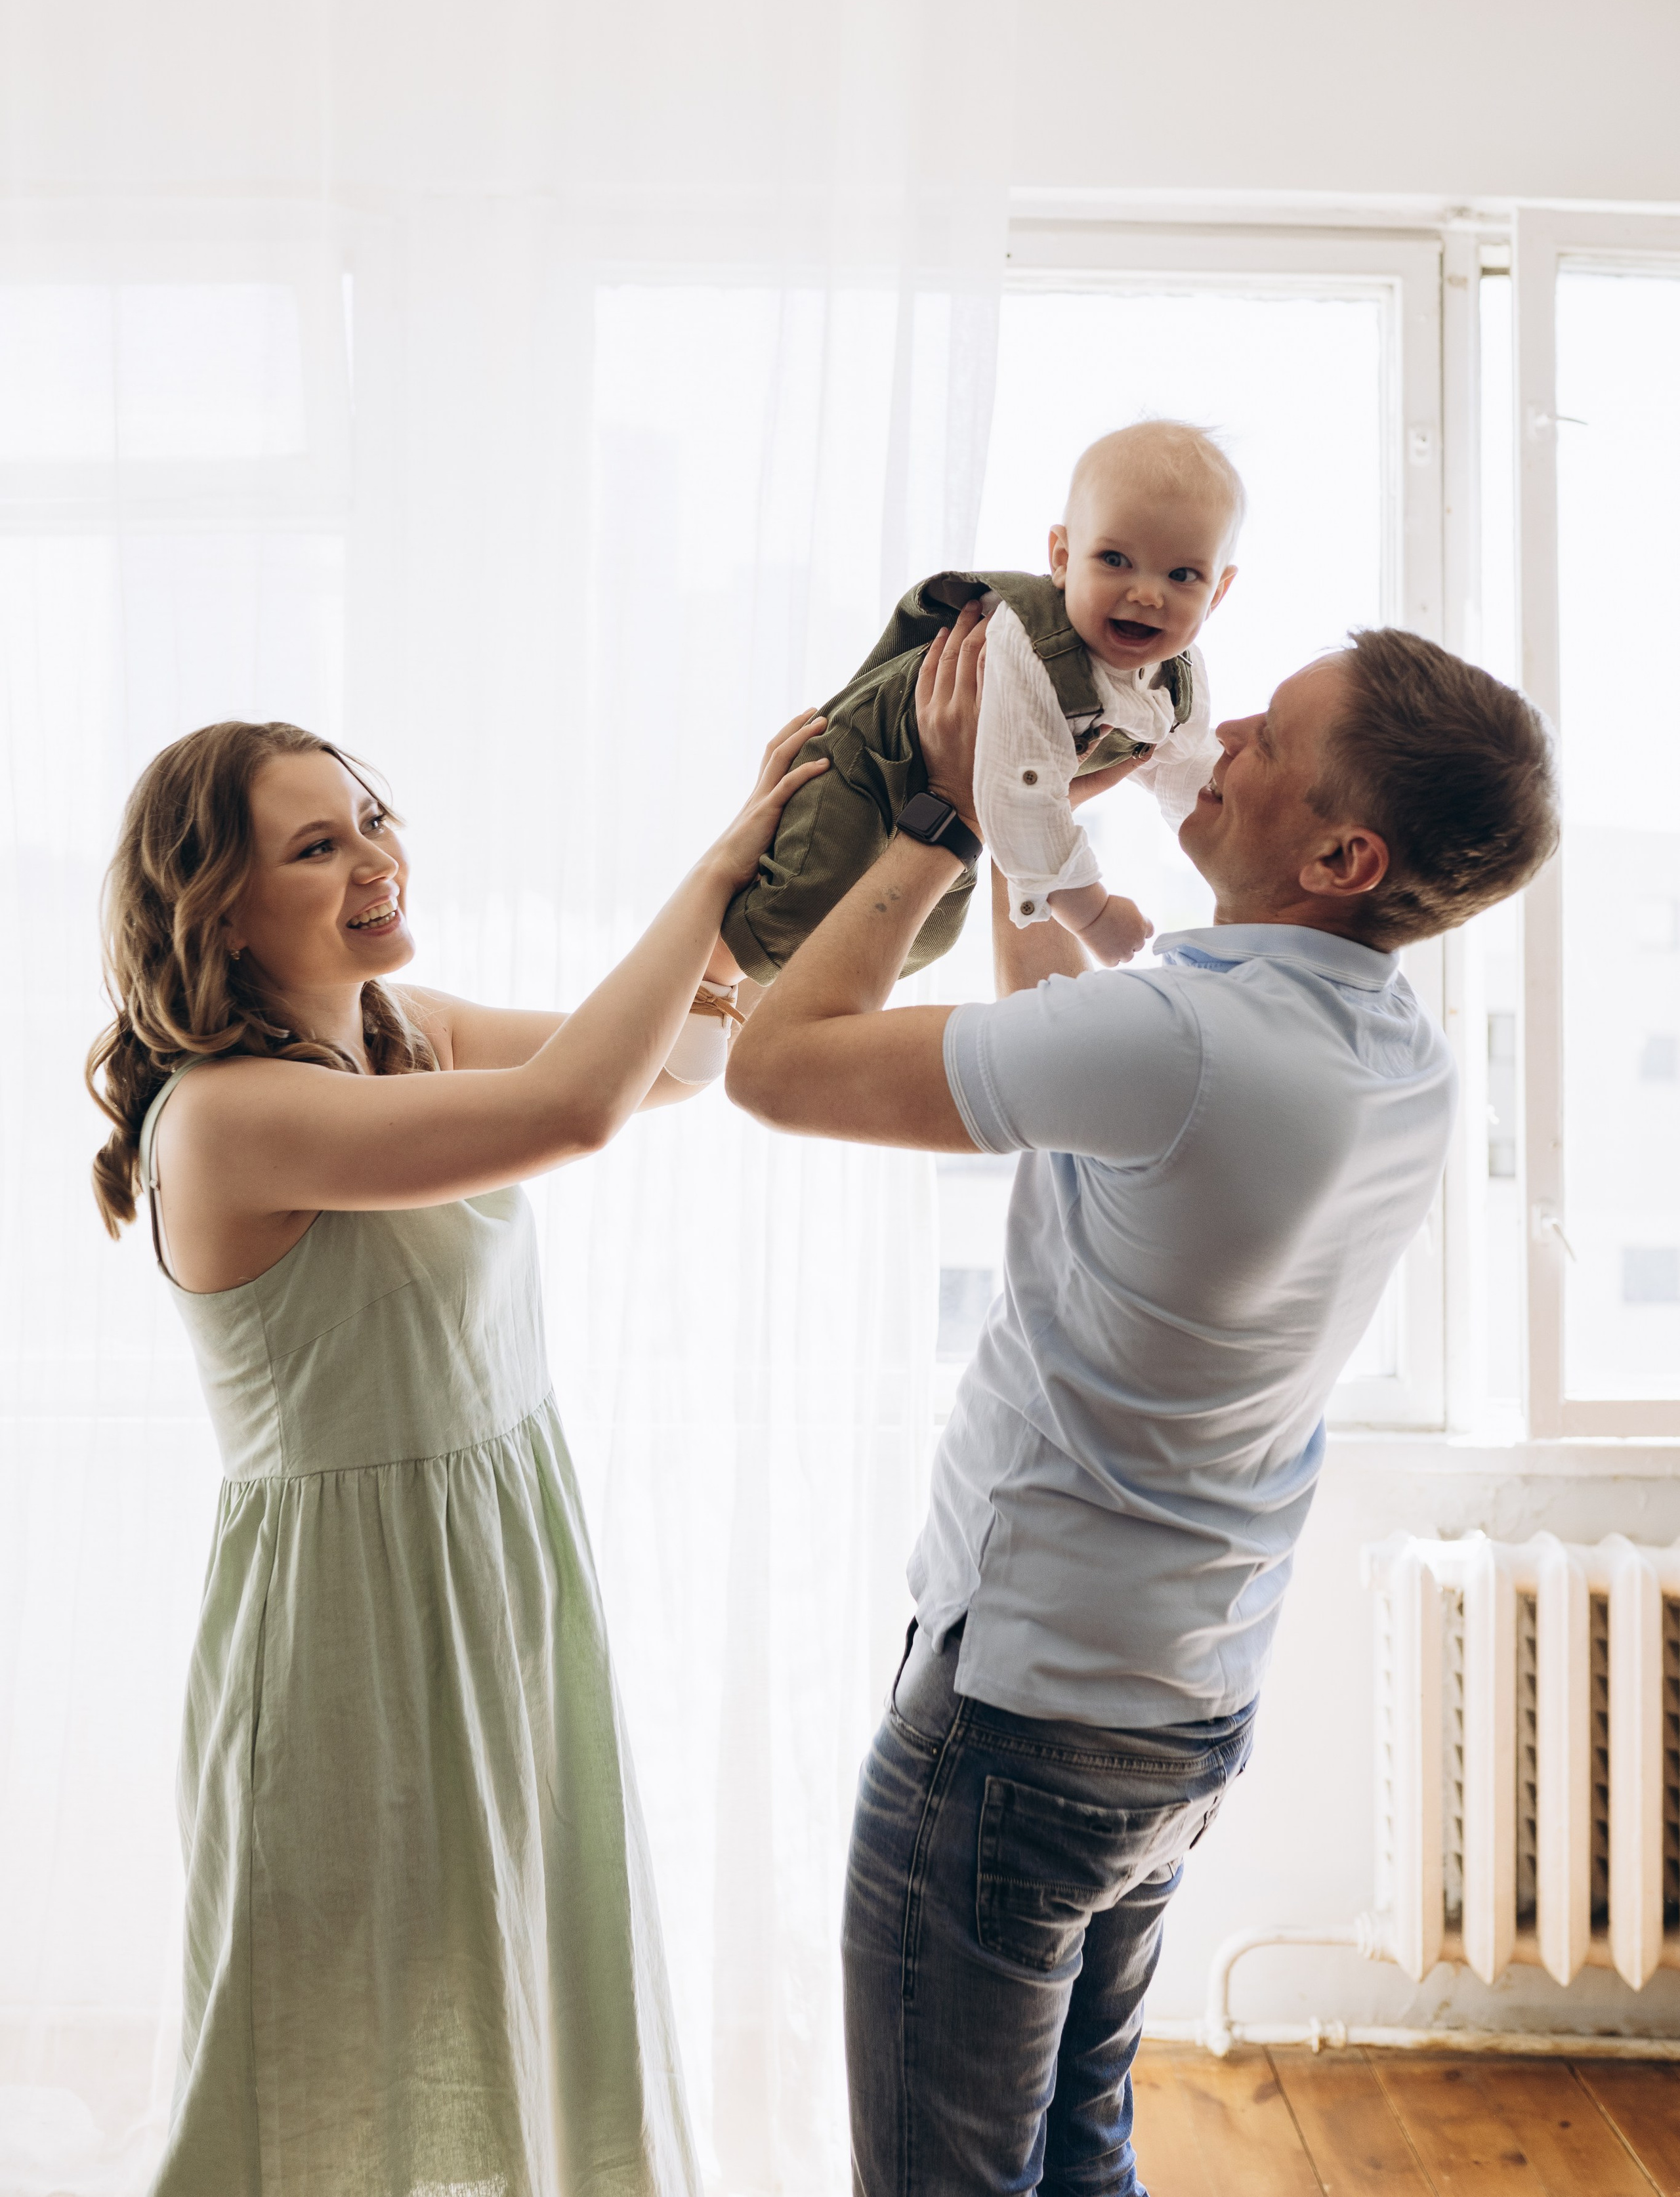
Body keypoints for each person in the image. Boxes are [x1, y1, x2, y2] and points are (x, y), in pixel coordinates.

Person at [726, 610, 1559, 2197]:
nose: (1219, 730)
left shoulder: (1176, 1035)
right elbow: (1077, 1064)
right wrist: (1036, 827)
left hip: (1017, 1717)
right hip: (1173, 1708)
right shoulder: (1396, 1056)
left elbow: (777, 1066)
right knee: (1076, 2144)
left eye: (1267, 735)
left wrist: (935, 818)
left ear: (1341, 853)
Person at [86, 709, 825, 2197]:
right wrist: (711, 867)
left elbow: (667, 1062)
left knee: (515, 1988)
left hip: (498, 1573)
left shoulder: (402, 1032)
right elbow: (572, 1108)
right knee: (335, 2047)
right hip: (347, 1627)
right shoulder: (228, 1119)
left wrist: (759, 900)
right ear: (219, 911)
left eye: (371, 817)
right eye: (317, 844)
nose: (375, 856)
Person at [717, 423, 1239, 991]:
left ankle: (737, 1007)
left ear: (1217, 593)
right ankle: (711, 980)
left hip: (960, 802)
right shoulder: (1031, 647)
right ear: (1062, 559)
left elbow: (1184, 769)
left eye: (1182, 575)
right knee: (786, 925)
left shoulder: (1178, 677)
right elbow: (1024, 799)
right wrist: (1092, 914)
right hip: (868, 769)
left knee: (921, 935)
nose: (1146, 593)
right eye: (1114, 559)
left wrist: (1237, 860)